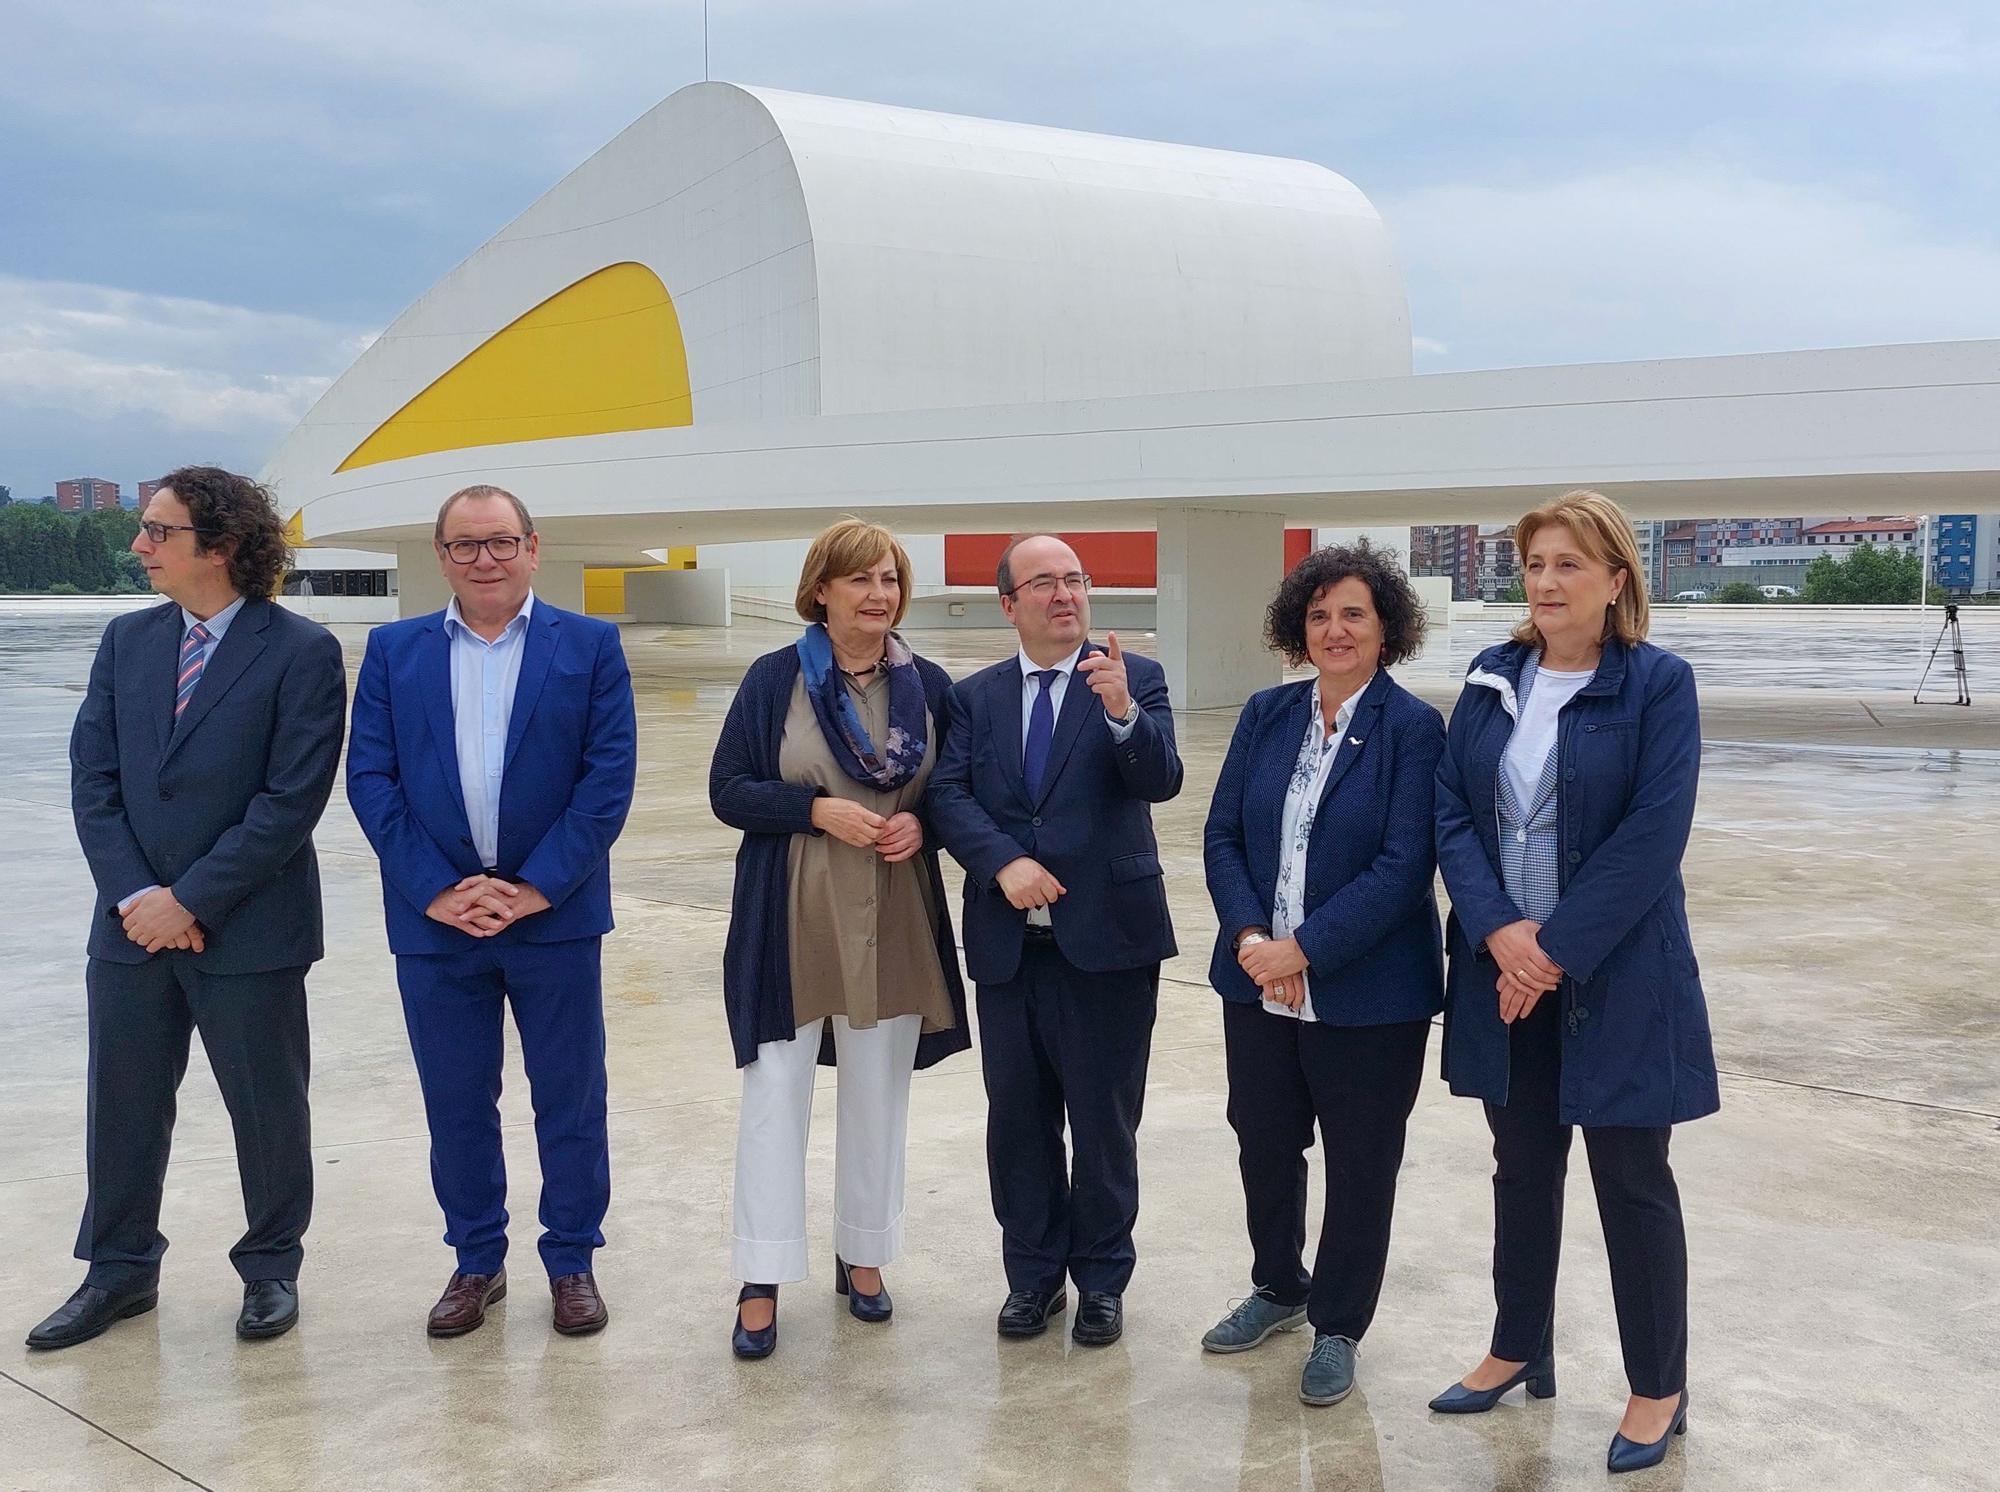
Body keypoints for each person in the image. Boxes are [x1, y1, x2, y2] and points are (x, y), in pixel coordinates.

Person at [1430, 489, 1715, 1475]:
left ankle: (1656, 1386)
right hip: (1500, 970)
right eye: (1534, 564)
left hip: (1615, 980)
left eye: (1567, 565)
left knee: (1631, 1181)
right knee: (1521, 1169)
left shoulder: (1656, 686)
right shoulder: (1487, 679)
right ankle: (1517, 1344)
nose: (1545, 582)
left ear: (1615, 581)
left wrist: (1549, 952)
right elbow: (1450, 817)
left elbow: (1650, 838)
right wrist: (1500, 932)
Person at [28, 467, 345, 1350]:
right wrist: (139, 898)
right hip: (130, 928)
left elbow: (291, 800)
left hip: (251, 925)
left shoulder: (301, 652)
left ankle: (270, 1267)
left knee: (267, 1106)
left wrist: (191, 899)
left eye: (159, 531)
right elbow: (94, 781)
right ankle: (119, 1270)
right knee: (122, 1104)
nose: (141, 546)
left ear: (224, 544)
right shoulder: (125, 643)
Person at [347, 484, 636, 1339]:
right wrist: (438, 888)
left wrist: (535, 887)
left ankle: (572, 1259)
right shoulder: (394, 651)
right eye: (466, 545)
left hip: (554, 918)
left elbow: (606, 779)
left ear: (533, 547)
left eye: (501, 542)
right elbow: (371, 779)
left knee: (571, 1098)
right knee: (457, 1101)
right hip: (437, 925)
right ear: (440, 555)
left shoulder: (588, 645)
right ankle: (477, 1261)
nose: (485, 560)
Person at [708, 519, 969, 1359]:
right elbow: (729, 791)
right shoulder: (774, 677)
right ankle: (761, 1272)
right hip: (793, 908)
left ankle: (863, 1252)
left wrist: (920, 824)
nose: (878, 595)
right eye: (860, 580)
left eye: (890, 580)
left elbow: (956, 791)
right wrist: (814, 810)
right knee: (776, 1089)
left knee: (878, 1090)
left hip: (893, 905)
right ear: (821, 588)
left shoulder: (928, 683)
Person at [1199, 541, 1445, 1406]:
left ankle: (1339, 1323)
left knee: (1362, 1160)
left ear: (1387, 629)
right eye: (1319, 615)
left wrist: (1306, 951)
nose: (1335, 630)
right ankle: (1279, 1287)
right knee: (1263, 1137)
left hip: (1372, 994)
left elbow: (1405, 863)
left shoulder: (1415, 730)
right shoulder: (1267, 716)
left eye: (1354, 614)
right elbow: (1223, 834)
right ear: (1296, 628)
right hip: (1255, 978)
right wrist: (1255, 941)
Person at [929, 534, 1183, 1348]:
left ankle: (1103, 1279)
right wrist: (1004, 863)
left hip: (1108, 942)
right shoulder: (977, 696)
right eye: (1044, 583)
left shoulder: (1133, 676)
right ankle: (1032, 1278)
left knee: (1106, 1123)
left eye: (1075, 580)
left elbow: (1161, 780)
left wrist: (1121, 715)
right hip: (1010, 947)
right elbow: (948, 793)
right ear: (1009, 603)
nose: (1065, 594)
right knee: (1019, 1121)